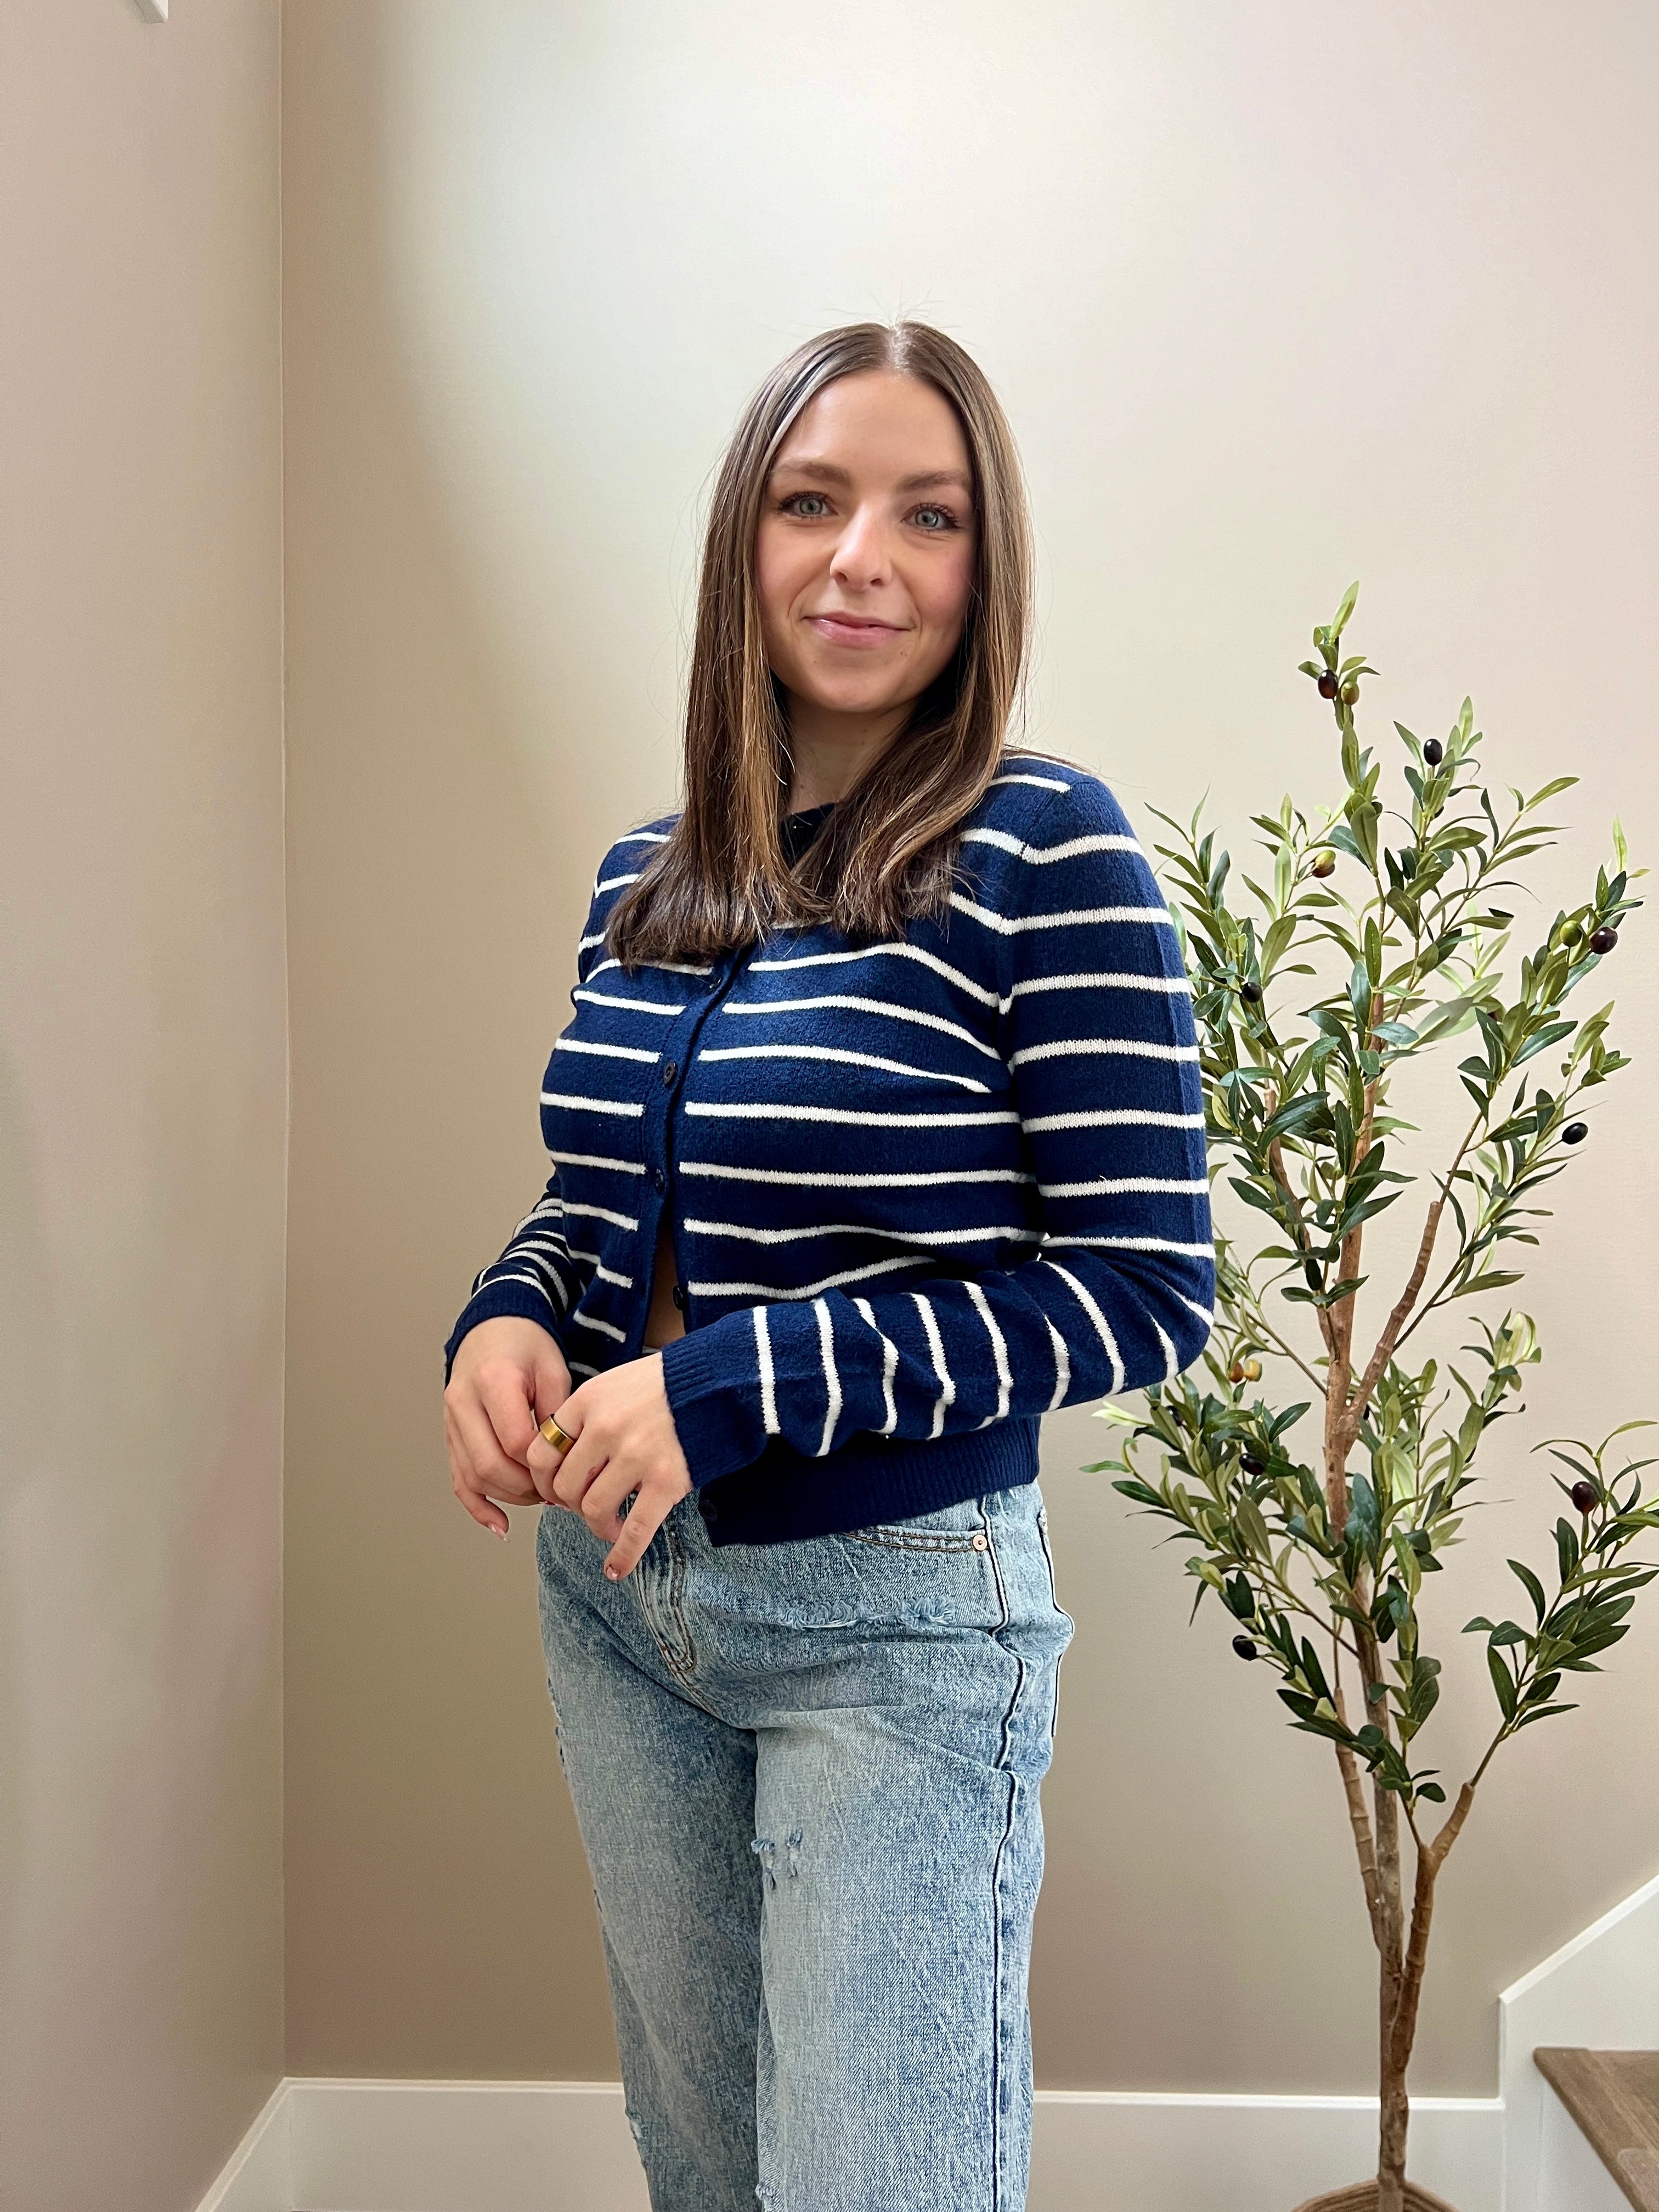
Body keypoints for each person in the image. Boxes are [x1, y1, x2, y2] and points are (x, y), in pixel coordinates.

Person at [440, 320, 1213, 2212]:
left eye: (927, 515)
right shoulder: (657, 866)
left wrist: (732, 1387)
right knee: (707, 2179)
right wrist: (511, 1312)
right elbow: (602, 1200)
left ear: (982, 562)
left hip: (898, 1625)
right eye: (814, 500)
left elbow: (1140, 1290)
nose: (864, 555)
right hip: (621, 1598)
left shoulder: (1054, 848)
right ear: (748, 542)